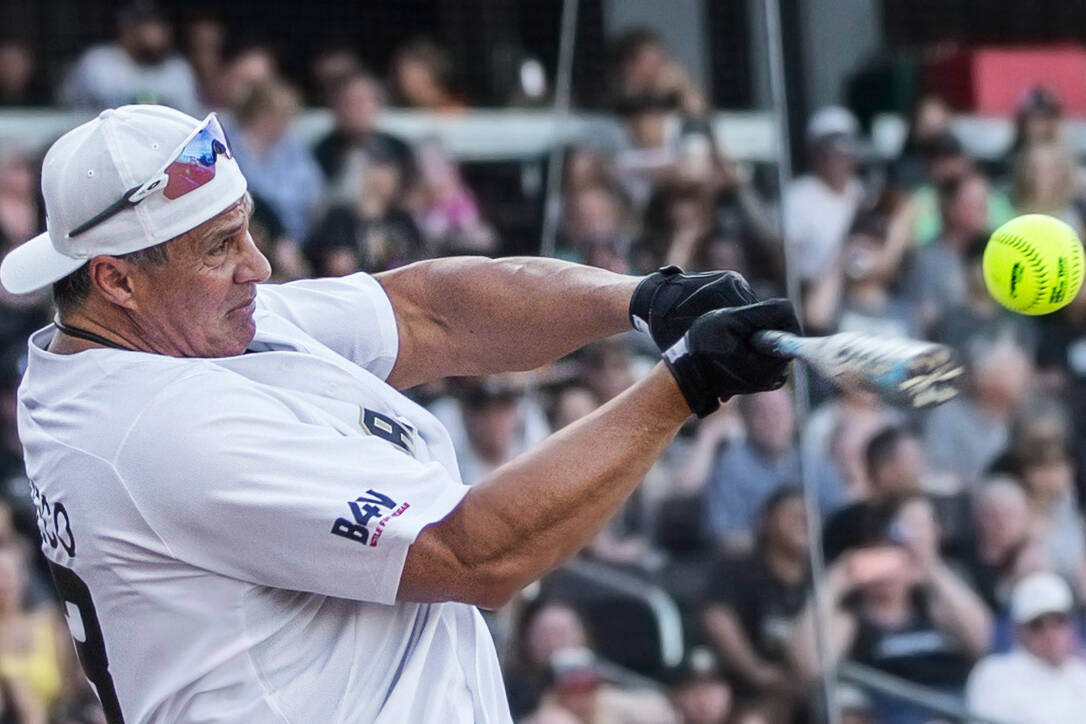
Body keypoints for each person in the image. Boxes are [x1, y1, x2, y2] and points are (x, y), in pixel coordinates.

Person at [0, 104, 800, 723]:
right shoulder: (160, 428)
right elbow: (477, 556)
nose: (259, 266)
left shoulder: (180, 329)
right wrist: (684, 383)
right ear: (115, 280)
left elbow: (429, 311)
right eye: (219, 246)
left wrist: (641, 299)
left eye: (245, 230)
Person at [701, 488, 808, 723]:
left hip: (813, 688)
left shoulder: (821, 575)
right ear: (766, 521)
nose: (803, 523)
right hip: (749, 686)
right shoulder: (739, 569)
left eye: (810, 516)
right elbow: (716, 616)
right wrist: (756, 670)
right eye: (792, 515)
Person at [705, 387, 844, 552]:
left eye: (779, 411)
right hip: (755, 568)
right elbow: (724, 537)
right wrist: (779, 539)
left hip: (815, 564)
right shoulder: (732, 465)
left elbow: (840, 519)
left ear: (794, 415)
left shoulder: (812, 461)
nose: (772, 420)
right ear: (747, 419)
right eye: (763, 413)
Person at [965, 571, 1086, 723]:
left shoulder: (1080, 673)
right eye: (1037, 625)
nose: (1050, 633)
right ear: (1018, 630)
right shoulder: (994, 674)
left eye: (1058, 621)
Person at [59, 1, 200, 115]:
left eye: (157, 26)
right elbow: (67, 110)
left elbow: (191, 118)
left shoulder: (178, 70)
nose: (153, 34)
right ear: (126, 29)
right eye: (145, 25)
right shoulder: (97, 63)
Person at [782, 106, 866, 282]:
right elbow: (784, 260)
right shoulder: (797, 198)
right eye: (827, 149)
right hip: (813, 290)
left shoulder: (863, 193)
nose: (836, 158)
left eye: (844, 148)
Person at [312, 72, 415, 187]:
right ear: (335, 108)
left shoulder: (399, 149)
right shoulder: (321, 153)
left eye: (362, 101)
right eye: (348, 103)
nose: (356, 110)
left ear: (377, 105)